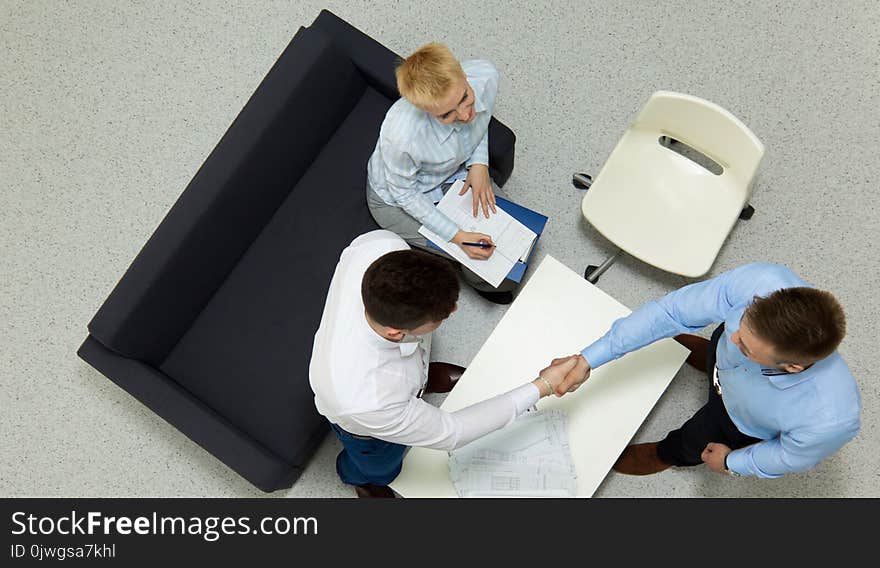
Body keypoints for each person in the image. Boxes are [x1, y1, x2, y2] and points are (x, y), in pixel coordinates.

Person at [309, 230, 578, 497]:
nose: (454, 310)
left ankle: (419, 386)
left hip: (398, 378)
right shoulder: (367, 400)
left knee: (413, 374)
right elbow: (454, 432)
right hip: (365, 430)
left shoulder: (381, 244)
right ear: (395, 333)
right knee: (381, 467)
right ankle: (361, 479)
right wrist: (543, 385)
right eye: (442, 316)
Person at [552, 262, 861, 479]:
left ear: (792, 367)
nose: (733, 336)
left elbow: (785, 457)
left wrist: (731, 461)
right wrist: (588, 359)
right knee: (715, 346)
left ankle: (664, 455)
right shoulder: (762, 282)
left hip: (737, 421)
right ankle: (711, 359)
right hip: (728, 367)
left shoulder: (829, 419)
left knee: (692, 441)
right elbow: (672, 312)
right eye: (739, 324)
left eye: (745, 348)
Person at [366, 42, 515, 304]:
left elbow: (479, 119)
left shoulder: (486, 76)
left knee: (511, 230)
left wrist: (478, 164)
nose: (466, 114)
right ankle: (479, 281)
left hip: (452, 170)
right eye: (448, 115)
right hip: (398, 198)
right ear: (426, 111)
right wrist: (457, 237)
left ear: (464, 76)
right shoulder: (401, 137)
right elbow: (404, 194)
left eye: (465, 98)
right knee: (474, 254)